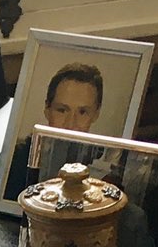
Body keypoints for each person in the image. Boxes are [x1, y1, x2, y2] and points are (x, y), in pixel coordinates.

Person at [6, 62, 105, 198]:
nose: (71, 124)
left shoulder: (104, 170)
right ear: (47, 109)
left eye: (82, 112)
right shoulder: (17, 160)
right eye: (62, 110)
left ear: (96, 114)